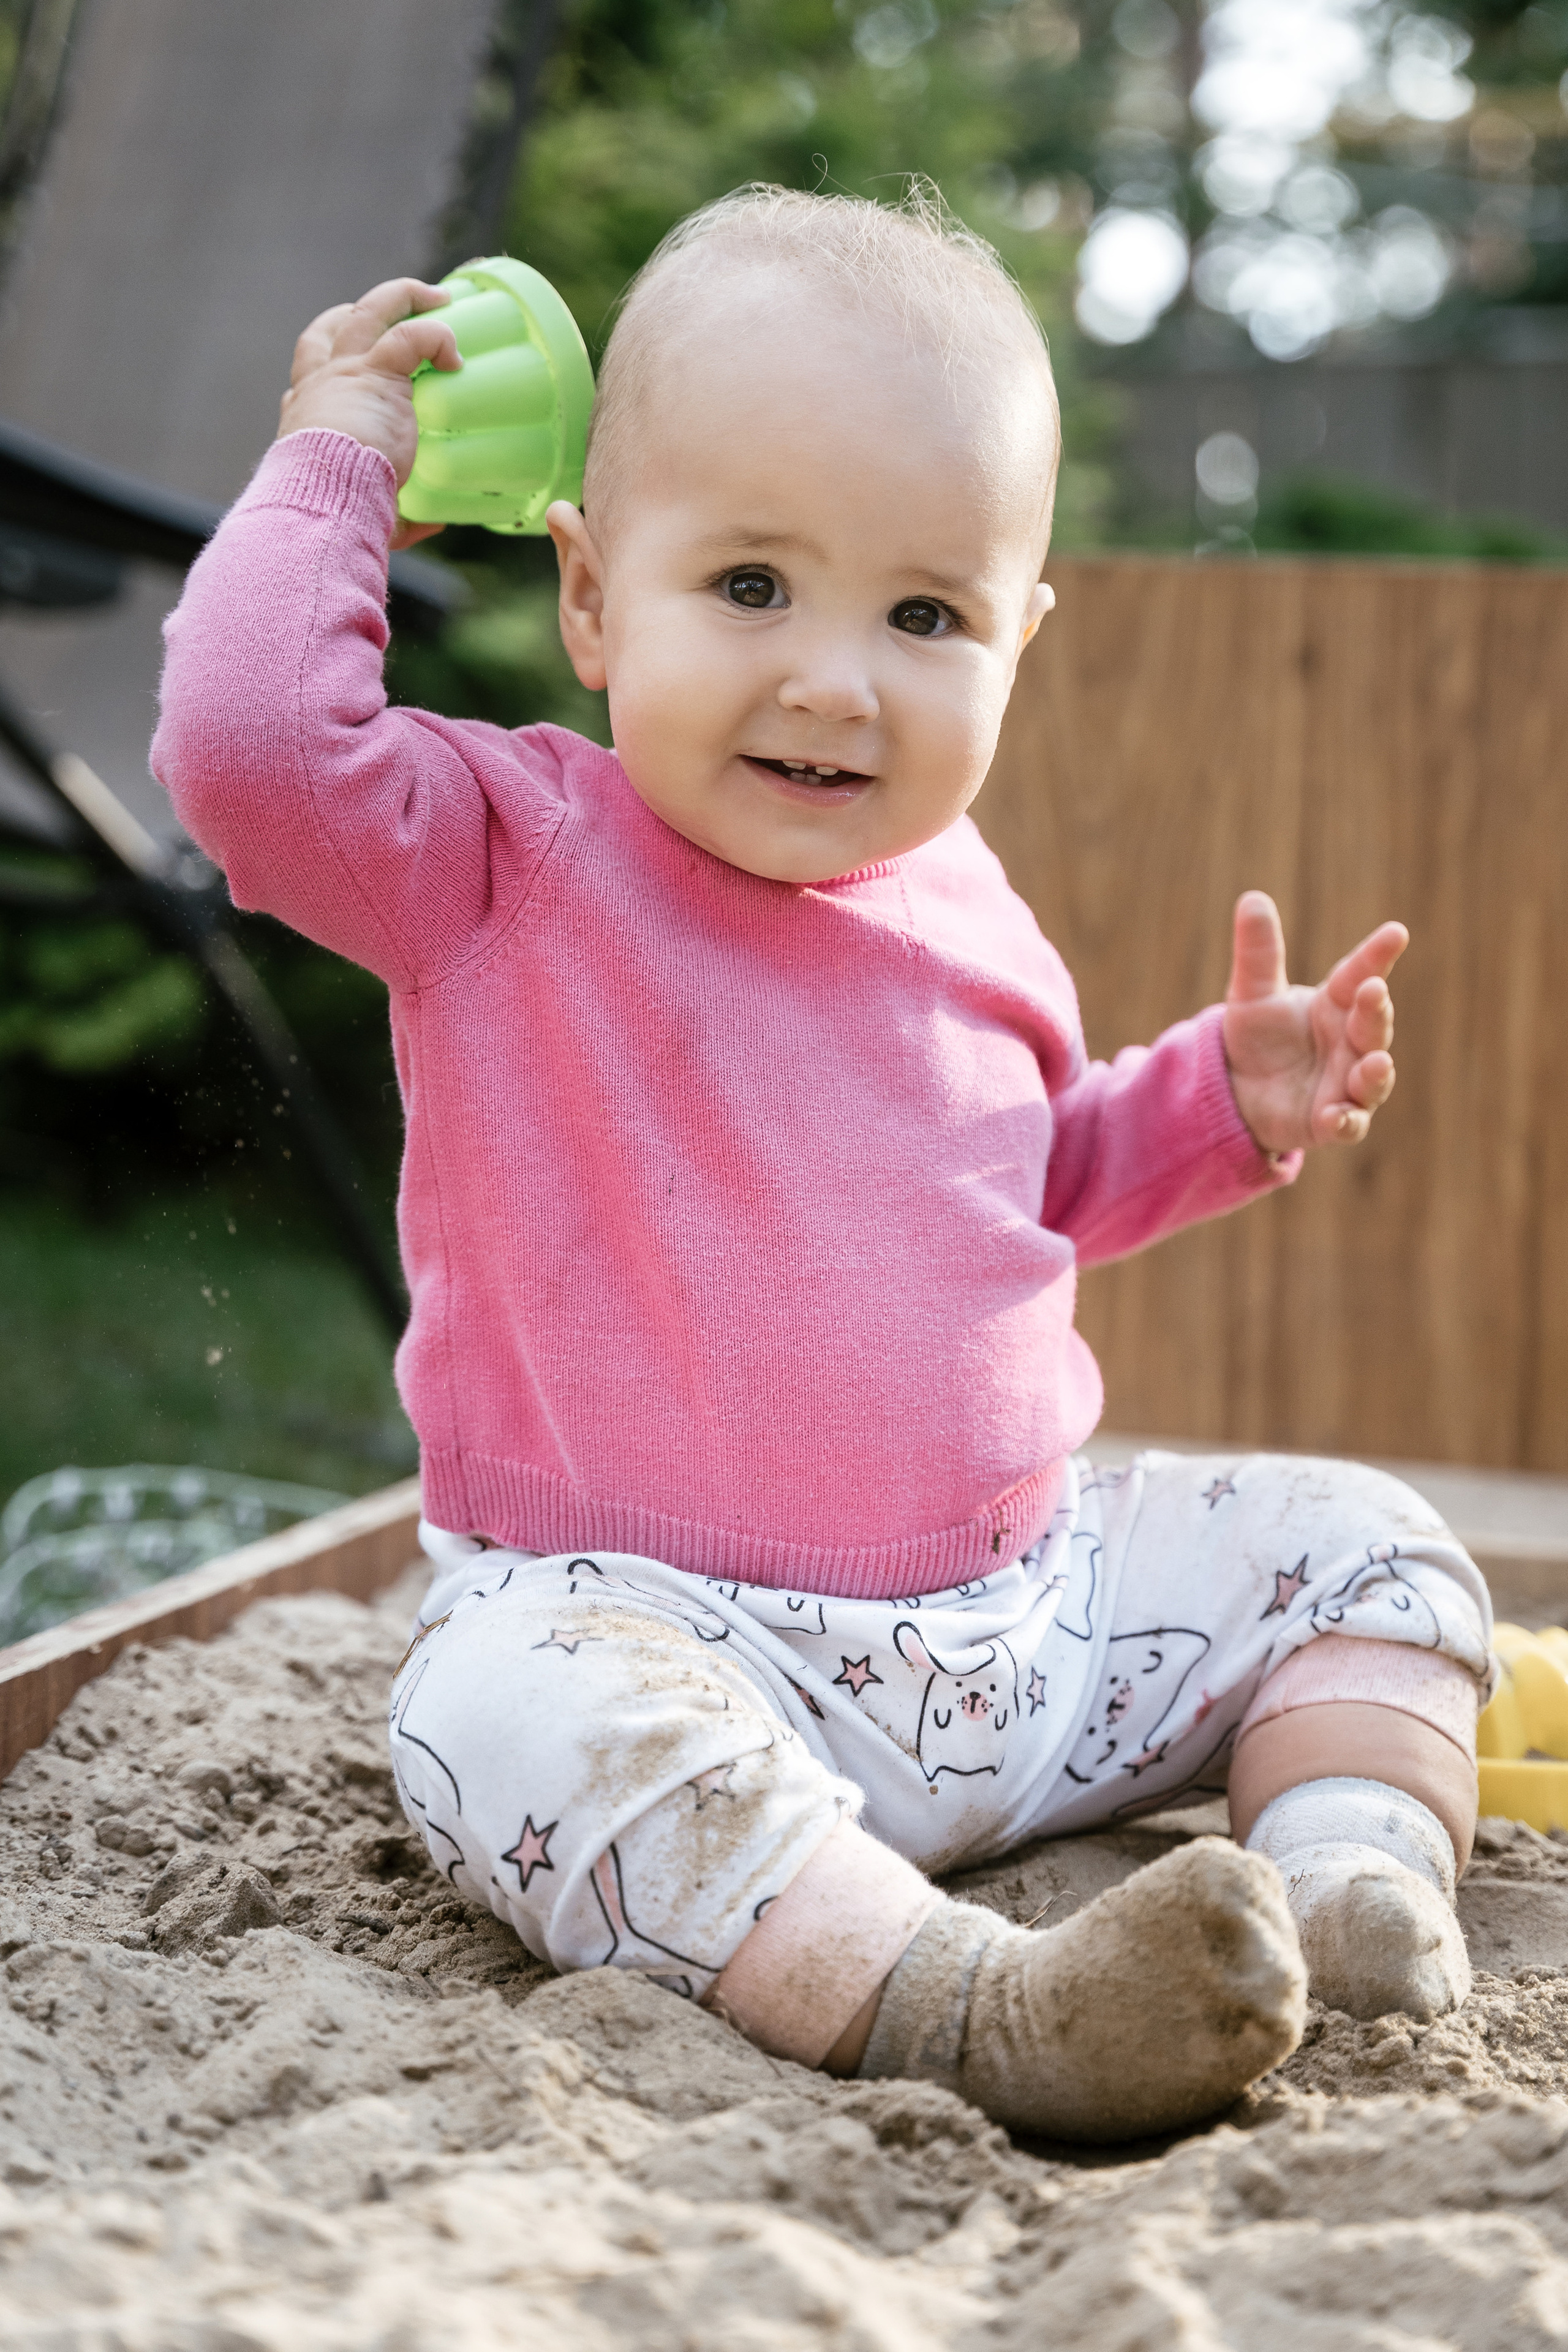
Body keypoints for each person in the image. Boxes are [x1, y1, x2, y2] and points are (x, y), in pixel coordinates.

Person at [153, 184, 1493, 2144]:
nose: (839, 680)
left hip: (1033, 1641)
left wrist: (1219, 1102)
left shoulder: (968, 900)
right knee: (496, 1714)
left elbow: (1024, 1189)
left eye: (925, 615)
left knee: (1367, 1544)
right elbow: (249, 752)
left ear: (1020, 641)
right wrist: (338, 471)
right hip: (672, 1645)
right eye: (752, 586)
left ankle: (1350, 1882)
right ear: (593, 596)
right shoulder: (502, 860)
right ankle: (978, 2007)